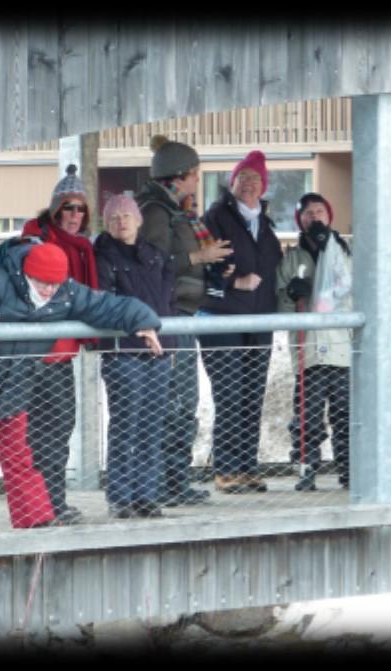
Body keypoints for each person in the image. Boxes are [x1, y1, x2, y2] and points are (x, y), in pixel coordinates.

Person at [0, 243, 162, 535]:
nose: (48, 290)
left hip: (13, 385)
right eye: (42, 282)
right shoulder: (2, 278)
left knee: (22, 456)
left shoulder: (66, 293)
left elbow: (108, 305)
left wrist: (144, 321)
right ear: (26, 274)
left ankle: (33, 517)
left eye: (54, 283)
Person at [135, 135, 234, 506]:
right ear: (178, 175)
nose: (197, 181)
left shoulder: (174, 209)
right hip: (169, 318)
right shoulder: (157, 212)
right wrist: (198, 258)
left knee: (181, 401)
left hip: (181, 315)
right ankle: (166, 484)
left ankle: (174, 481)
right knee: (174, 401)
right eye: (194, 174)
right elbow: (154, 263)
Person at [197, 150, 283, 494]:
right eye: (242, 177)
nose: (248, 184)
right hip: (223, 317)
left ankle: (247, 467)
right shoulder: (216, 217)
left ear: (264, 187)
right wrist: (234, 282)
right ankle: (226, 468)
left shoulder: (265, 223)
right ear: (232, 183)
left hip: (259, 318)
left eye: (255, 179)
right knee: (229, 391)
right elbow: (204, 266)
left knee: (252, 392)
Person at [19, 164, 99, 525]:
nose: (75, 214)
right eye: (68, 206)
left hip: (62, 356)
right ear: (55, 209)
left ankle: (52, 503)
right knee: (40, 436)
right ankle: (38, 506)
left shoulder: (82, 248)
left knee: (58, 432)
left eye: (81, 208)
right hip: (36, 355)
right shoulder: (34, 243)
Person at [94, 195, 177, 518]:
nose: (121, 221)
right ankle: (120, 496)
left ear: (138, 220)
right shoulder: (102, 256)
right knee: (125, 423)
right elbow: (105, 303)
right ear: (106, 223)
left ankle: (146, 494)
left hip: (157, 352)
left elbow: (168, 305)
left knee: (152, 424)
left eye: (126, 215)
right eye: (114, 217)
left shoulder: (156, 256)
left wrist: (169, 346)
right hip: (123, 351)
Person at [276, 193, 352, 491]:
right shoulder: (292, 259)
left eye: (319, 211)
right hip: (307, 349)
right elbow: (280, 306)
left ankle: (349, 467)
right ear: (300, 219)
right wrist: (292, 293)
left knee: (345, 411)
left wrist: (327, 252)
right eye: (308, 213)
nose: (314, 217)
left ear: (329, 215)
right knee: (307, 412)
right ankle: (306, 466)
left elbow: (351, 295)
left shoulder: (344, 254)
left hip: (340, 347)